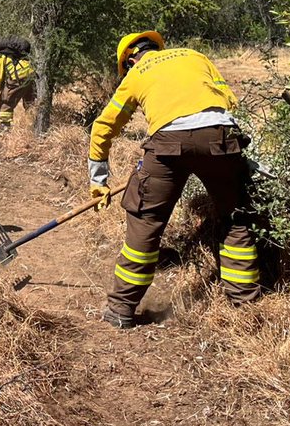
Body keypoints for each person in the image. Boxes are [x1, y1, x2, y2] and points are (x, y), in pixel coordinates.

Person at [88, 31, 260, 329]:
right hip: (221, 138)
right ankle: (244, 305)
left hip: (167, 144)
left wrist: (99, 181)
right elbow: (227, 99)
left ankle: (121, 310)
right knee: (236, 218)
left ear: (130, 59)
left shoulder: (138, 72)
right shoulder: (196, 56)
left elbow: (104, 126)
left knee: (146, 221)